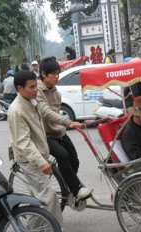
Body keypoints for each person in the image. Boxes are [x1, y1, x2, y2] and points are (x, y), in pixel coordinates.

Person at [7, 70, 63, 227]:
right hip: (29, 160)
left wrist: (66, 122)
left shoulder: (32, 101)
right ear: (20, 88)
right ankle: (55, 228)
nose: (35, 90)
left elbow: (47, 113)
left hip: (38, 155)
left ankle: (37, 228)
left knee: (39, 199)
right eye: (31, 87)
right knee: (49, 196)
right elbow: (23, 142)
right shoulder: (17, 110)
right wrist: (41, 162)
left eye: (35, 86)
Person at [36, 57, 93, 201]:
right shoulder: (36, 91)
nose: (57, 76)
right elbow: (46, 112)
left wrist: (65, 125)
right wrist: (68, 122)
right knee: (63, 156)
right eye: (53, 74)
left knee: (74, 161)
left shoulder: (56, 92)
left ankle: (66, 185)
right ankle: (76, 190)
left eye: (58, 73)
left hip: (59, 132)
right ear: (43, 74)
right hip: (45, 135)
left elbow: (56, 112)